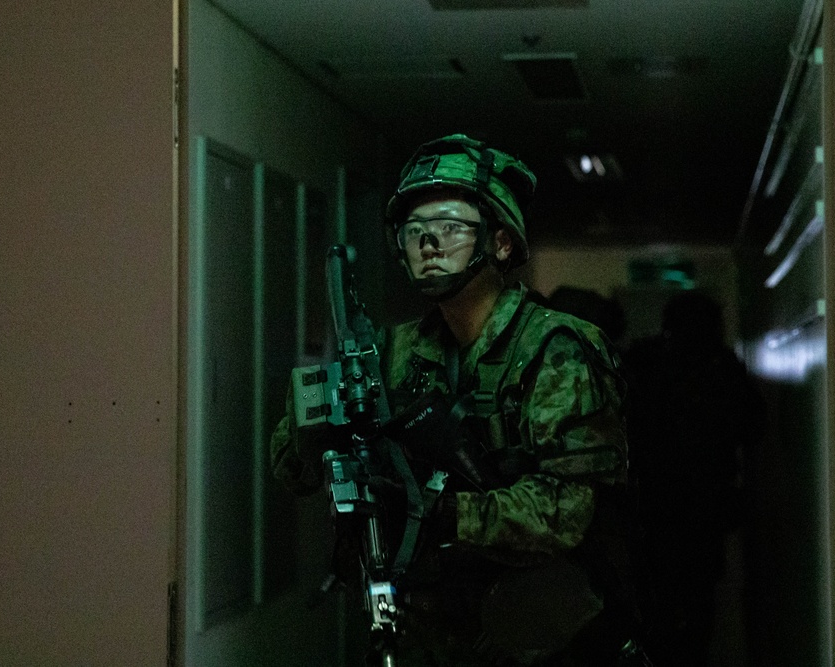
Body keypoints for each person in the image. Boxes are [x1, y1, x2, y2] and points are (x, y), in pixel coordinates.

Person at [269, 134, 638, 666]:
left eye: (449, 227)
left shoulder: (555, 348)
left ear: (501, 243)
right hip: (430, 637)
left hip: (546, 639)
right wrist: (322, 422)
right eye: (414, 231)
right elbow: (292, 469)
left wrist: (439, 512)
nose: (428, 244)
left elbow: (565, 512)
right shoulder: (390, 353)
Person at [622, 291, 765, 666]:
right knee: (695, 601)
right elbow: (752, 427)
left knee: (660, 599)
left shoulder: (648, 361)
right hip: (699, 505)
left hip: (657, 504)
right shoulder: (719, 367)